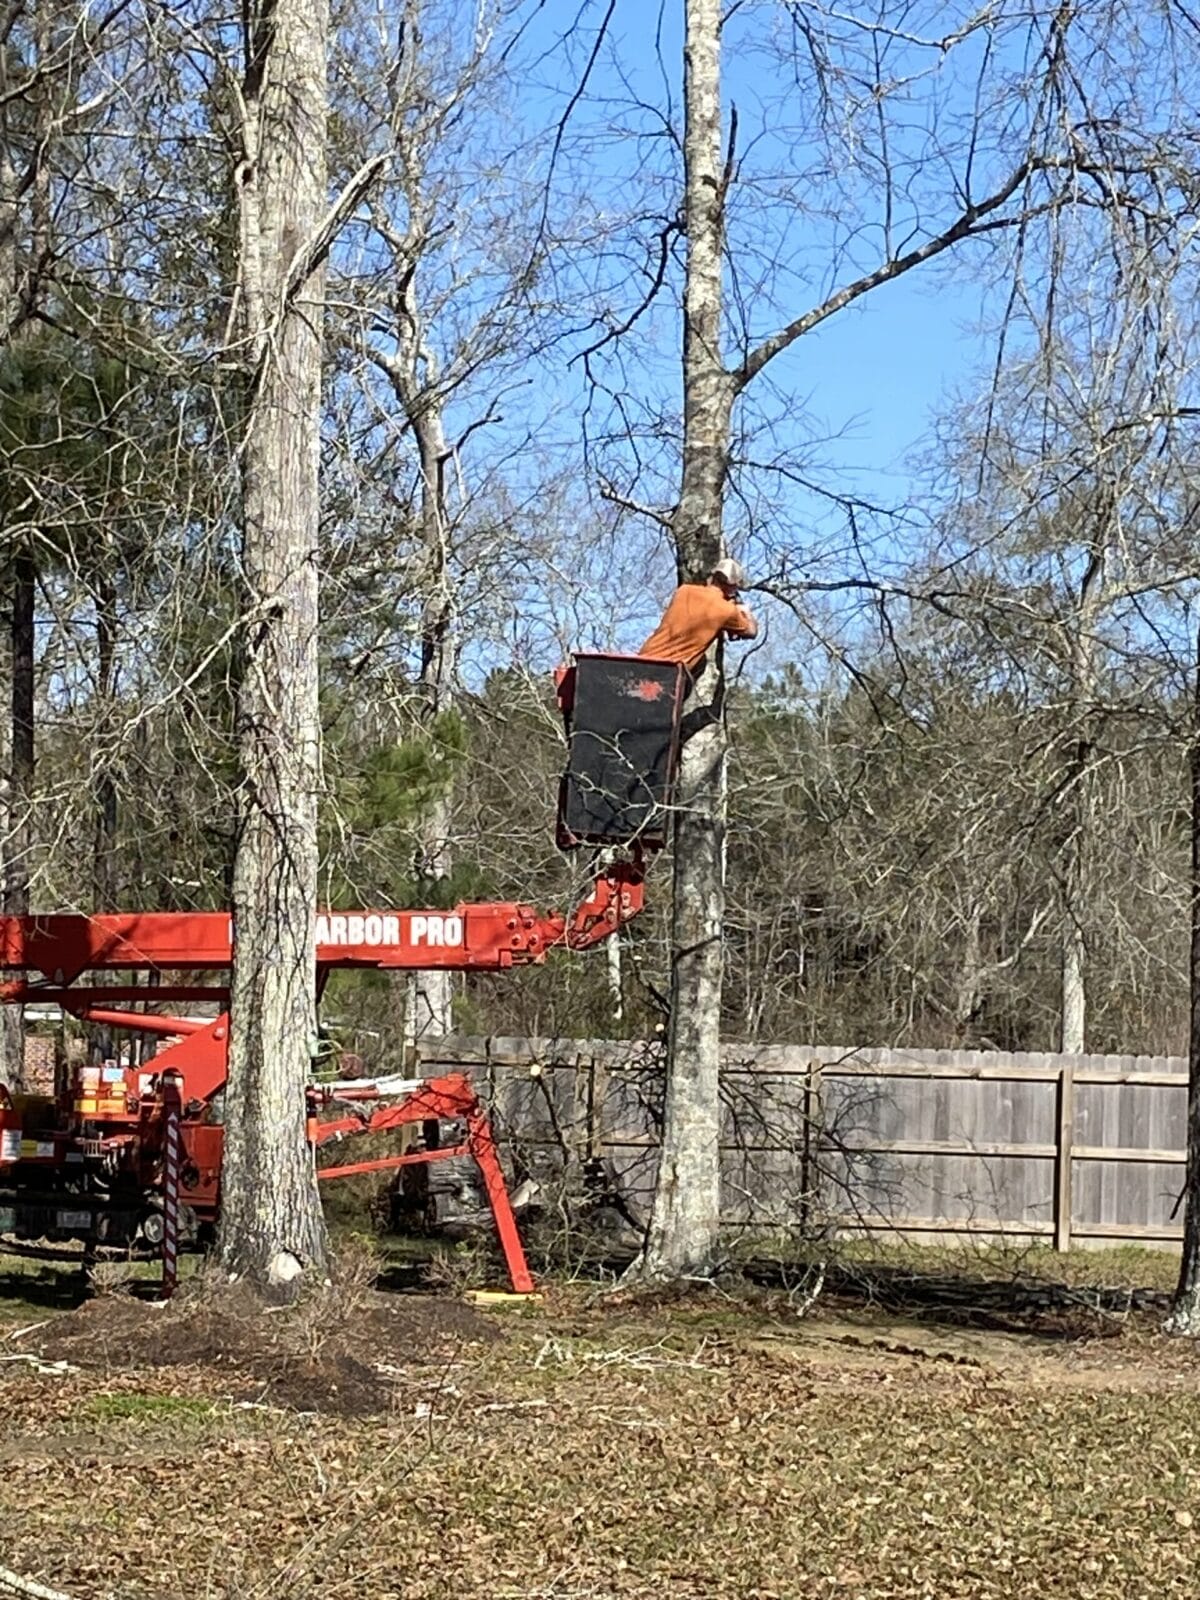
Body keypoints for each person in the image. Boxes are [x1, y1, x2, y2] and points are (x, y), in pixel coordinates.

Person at [639, 557, 758, 669]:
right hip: (669, 671)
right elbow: (752, 632)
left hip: (641, 660)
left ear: (713, 577)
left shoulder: (683, 591)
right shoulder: (727, 610)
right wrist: (744, 609)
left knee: (701, 663)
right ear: (733, 587)